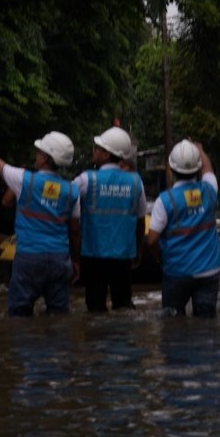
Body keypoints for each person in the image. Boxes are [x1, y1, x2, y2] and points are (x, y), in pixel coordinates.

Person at [0, 127, 80, 316]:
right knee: (59, 317)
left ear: (45, 158)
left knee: (19, 316)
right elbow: (75, 231)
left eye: (39, 152)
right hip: (59, 260)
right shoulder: (72, 190)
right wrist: (75, 261)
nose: (36, 155)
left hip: (29, 260)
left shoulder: (23, 180)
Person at [73, 126, 147, 312]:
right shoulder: (136, 182)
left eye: (97, 148)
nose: (94, 151)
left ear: (106, 155)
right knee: (123, 306)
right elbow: (140, 221)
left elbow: (65, 205)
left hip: (93, 256)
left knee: (95, 308)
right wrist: (138, 251)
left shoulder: (86, 179)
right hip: (122, 257)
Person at [146, 140, 220, 317]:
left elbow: (151, 240)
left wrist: (161, 260)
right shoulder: (210, 190)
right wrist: (200, 150)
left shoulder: (164, 201)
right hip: (209, 270)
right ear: (197, 167)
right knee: (207, 324)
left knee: (173, 323)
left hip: (176, 271)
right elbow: (208, 169)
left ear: (171, 169)